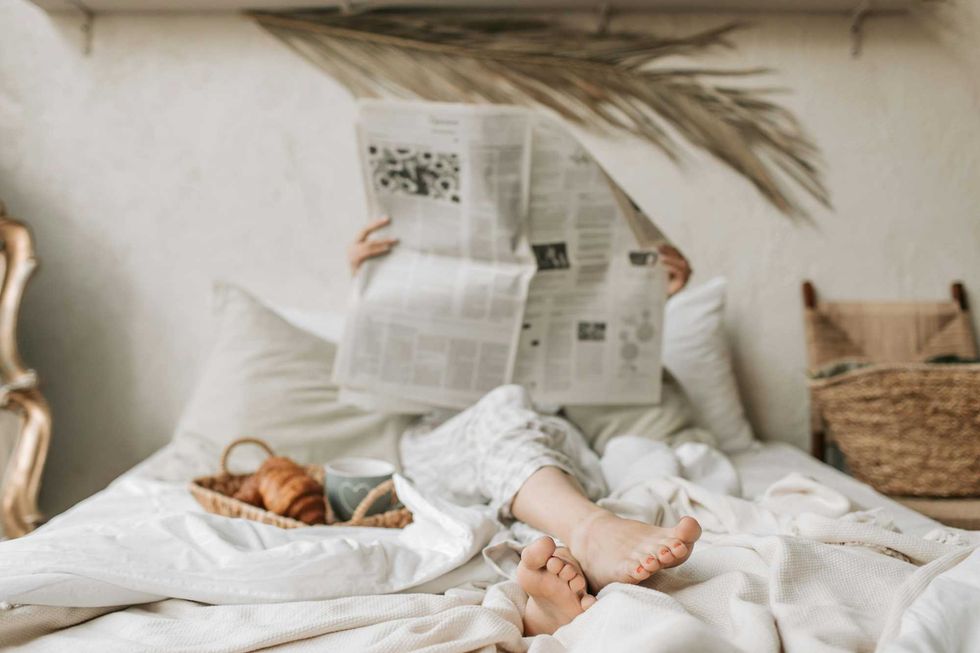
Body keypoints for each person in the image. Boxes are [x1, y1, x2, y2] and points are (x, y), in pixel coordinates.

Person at [348, 217, 700, 636]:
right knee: (505, 403)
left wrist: (649, 294)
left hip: (550, 434)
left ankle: (544, 598)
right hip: (443, 439)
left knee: (553, 476)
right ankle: (589, 530)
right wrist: (367, 285)